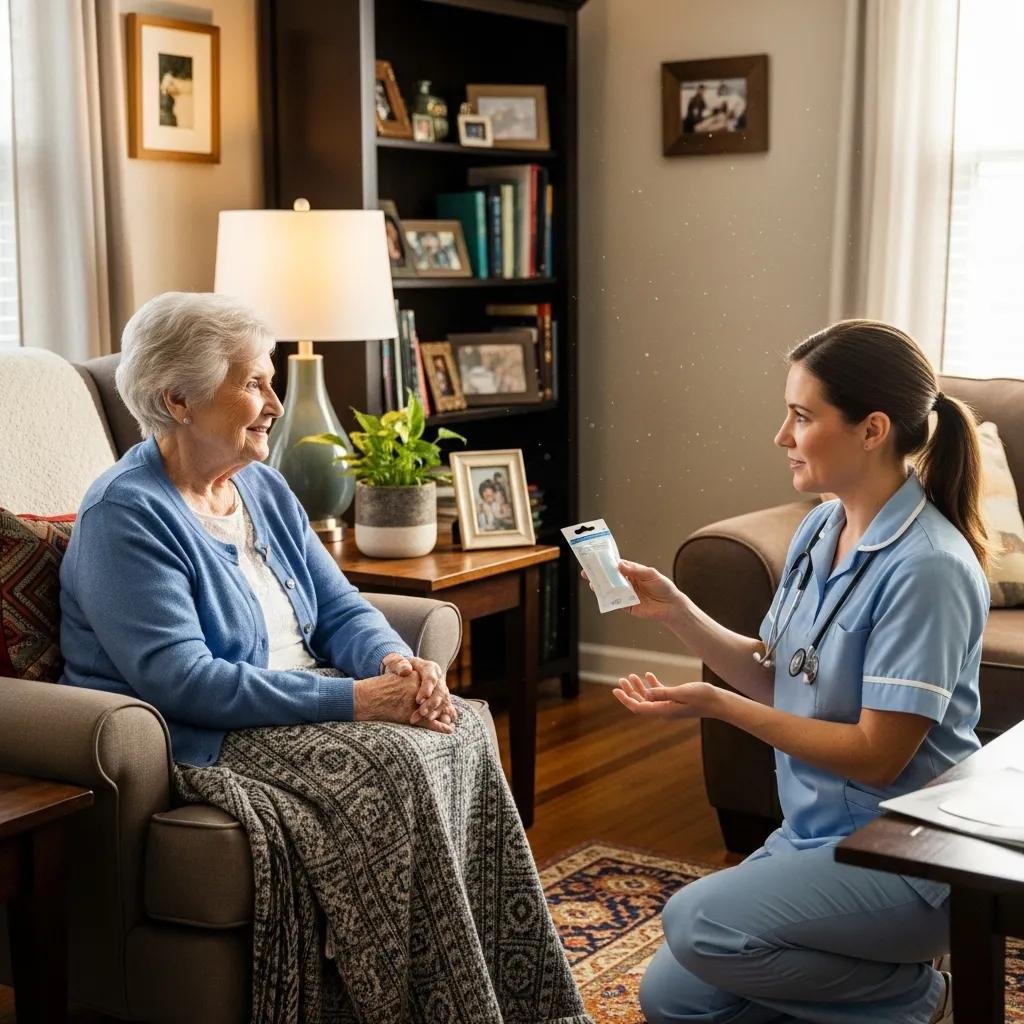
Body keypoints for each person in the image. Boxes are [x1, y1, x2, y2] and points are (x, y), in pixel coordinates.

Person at [60, 292, 590, 1024]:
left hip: (299, 699)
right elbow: (180, 680)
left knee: (463, 725)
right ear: (176, 399)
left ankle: (524, 1005)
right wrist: (355, 701)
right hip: (204, 733)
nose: (275, 402)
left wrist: (394, 666)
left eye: (270, 380)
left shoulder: (261, 485)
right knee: (397, 762)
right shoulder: (126, 512)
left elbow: (340, 608)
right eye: (253, 382)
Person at [604, 320, 988, 1024]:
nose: (782, 435)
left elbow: (877, 759)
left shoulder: (928, 567)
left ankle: (918, 996)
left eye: (802, 416)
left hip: (909, 860)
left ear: (872, 430)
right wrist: (679, 613)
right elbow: (781, 673)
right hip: (812, 835)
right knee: (674, 999)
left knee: (699, 924)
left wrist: (718, 708)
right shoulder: (821, 527)